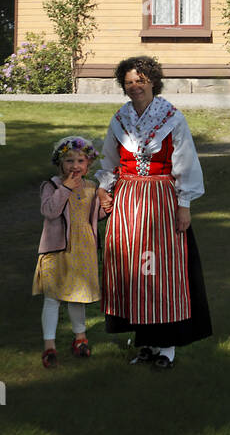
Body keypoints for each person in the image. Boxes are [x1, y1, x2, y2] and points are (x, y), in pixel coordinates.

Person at [95, 56, 212, 369]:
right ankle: (145, 343)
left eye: (141, 81)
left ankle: (167, 347)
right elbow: (109, 159)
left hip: (161, 201)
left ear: (153, 83)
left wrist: (184, 204)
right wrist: (105, 188)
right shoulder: (120, 119)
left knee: (161, 272)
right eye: (130, 82)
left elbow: (185, 162)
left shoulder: (172, 118)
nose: (135, 87)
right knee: (131, 271)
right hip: (128, 201)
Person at [34, 136, 113, 369]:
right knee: (53, 298)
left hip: (83, 250)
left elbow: (95, 216)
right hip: (57, 250)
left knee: (78, 297)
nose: (75, 166)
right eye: (69, 160)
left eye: (81, 160)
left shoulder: (91, 188)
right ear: (60, 163)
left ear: (89, 164)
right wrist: (65, 188)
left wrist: (106, 204)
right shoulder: (52, 185)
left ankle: (80, 338)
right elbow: (50, 211)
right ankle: (49, 345)